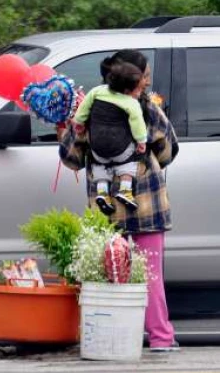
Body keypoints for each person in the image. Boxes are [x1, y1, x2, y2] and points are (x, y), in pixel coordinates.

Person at [58, 49, 181, 352]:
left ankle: (109, 339)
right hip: (146, 206)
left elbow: (71, 160)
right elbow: (168, 151)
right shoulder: (148, 109)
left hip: (105, 211)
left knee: (107, 275)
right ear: (136, 80)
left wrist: (63, 130)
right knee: (150, 276)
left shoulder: (88, 111)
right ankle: (161, 339)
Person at [72, 60, 148, 215]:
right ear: (127, 90)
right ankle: (125, 190)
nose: (140, 93)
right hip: (120, 149)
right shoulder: (131, 103)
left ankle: (102, 193)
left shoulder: (97, 91)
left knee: (100, 165)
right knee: (129, 160)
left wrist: (78, 122)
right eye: (138, 90)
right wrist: (141, 141)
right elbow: (137, 124)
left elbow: (84, 107)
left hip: (97, 148)